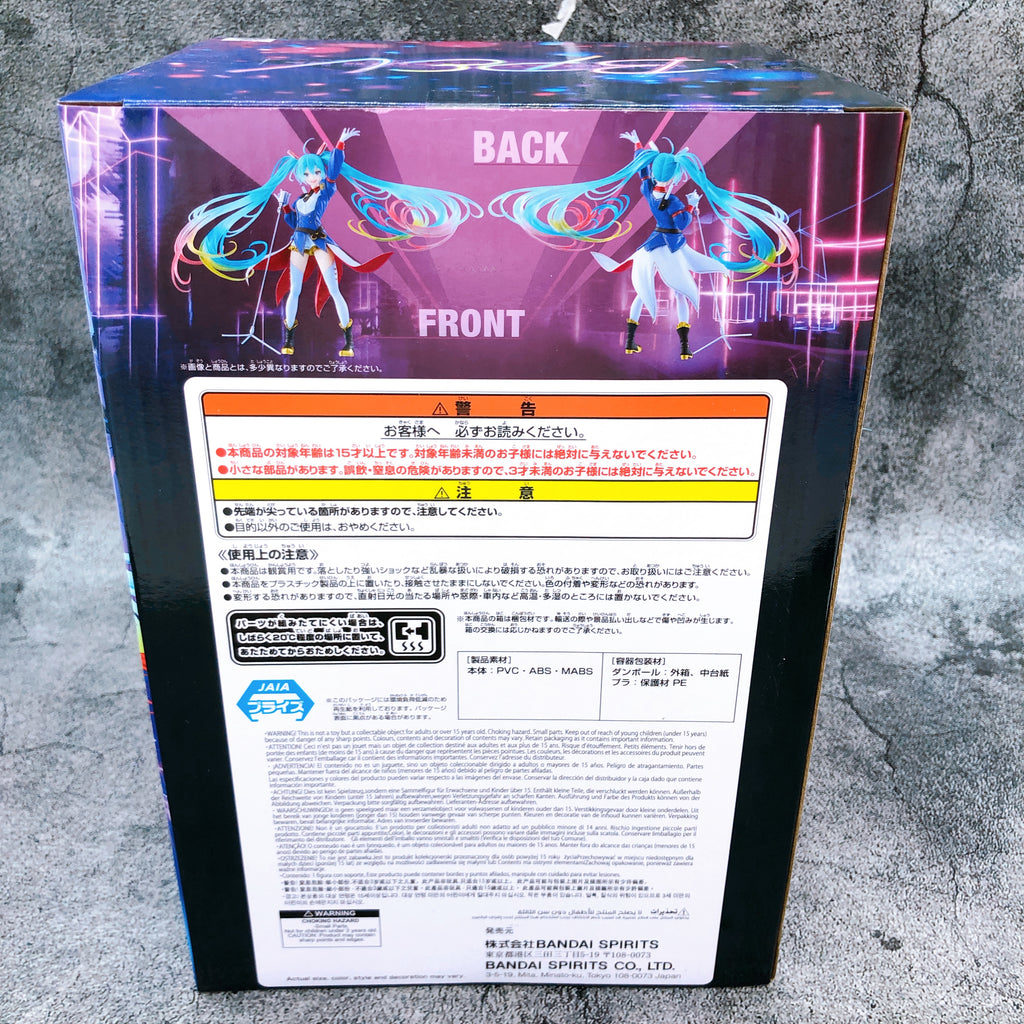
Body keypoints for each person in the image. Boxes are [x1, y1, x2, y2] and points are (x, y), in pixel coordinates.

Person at [490, 130, 798, 359]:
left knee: (643, 292)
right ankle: (684, 347)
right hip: (672, 245)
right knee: (681, 292)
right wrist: (691, 204)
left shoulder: (649, 189)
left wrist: (639, 145)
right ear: (675, 176)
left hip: (653, 244)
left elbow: (642, 171)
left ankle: (630, 342)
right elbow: (682, 224)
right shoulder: (672, 200)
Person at [173, 129, 481, 357]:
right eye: (308, 173)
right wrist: (284, 207)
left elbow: (334, 171)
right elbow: (294, 223)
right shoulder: (301, 197)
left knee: (333, 289)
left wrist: (340, 145)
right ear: (300, 176)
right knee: (294, 290)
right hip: (297, 243)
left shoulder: (325, 191)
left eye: (316, 171)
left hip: (319, 242)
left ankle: (348, 340)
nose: (313, 176)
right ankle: (289, 339)